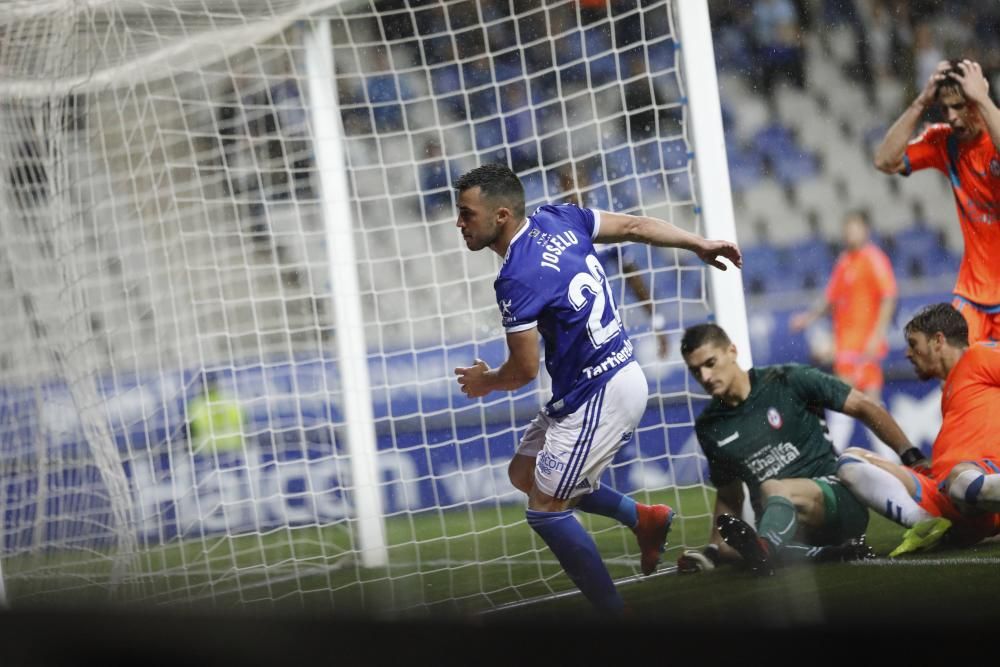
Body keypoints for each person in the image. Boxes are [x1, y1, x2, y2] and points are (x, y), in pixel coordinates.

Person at [451, 163, 741, 614]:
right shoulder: (558, 216)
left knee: (545, 509)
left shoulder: (515, 278)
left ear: (502, 215)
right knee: (523, 475)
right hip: (602, 379)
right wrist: (698, 243)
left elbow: (523, 371)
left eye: (467, 214)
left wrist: (486, 381)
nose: (459, 223)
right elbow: (636, 226)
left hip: (601, 392)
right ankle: (643, 517)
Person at [674, 323, 914, 577]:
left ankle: (767, 549)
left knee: (772, 487)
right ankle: (829, 553)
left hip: (836, 503)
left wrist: (911, 454)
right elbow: (729, 496)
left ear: (732, 351)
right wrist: (713, 549)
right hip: (779, 525)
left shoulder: (786, 379)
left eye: (710, 363)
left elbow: (865, 406)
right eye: (695, 371)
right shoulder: (709, 427)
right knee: (733, 546)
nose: (705, 377)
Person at [836, 303, 1000, 557]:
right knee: (850, 462)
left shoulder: (979, 355)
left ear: (938, 340)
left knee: (962, 481)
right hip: (944, 492)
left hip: (976, 482)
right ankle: (928, 526)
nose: (908, 354)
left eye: (914, 344)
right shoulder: (950, 388)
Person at [874, 58, 1000, 343]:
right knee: (957, 380)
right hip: (972, 295)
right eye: (945, 108)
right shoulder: (944, 142)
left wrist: (981, 97)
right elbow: (884, 160)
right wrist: (920, 103)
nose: (952, 116)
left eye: (960, 105)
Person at [790, 210, 899, 460]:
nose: (850, 233)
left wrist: (877, 334)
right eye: (847, 229)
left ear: (865, 230)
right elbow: (831, 298)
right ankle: (895, 458)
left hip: (864, 343)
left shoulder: (873, 258)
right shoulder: (845, 261)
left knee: (849, 398)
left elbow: (889, 296)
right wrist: (808, 318)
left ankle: (834, 457)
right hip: (846, 343)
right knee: (864, 401)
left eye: (855, 228)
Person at [556, 165, 670, 359]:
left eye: (580, 181)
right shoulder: (548, 225)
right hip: (559, 337)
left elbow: (632, 276)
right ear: (560, 186)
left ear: (589, 184)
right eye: (569, 181)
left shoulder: (604, 224)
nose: (575, 188)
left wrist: (656, 321)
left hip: (599, 331)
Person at [187, 371, 246, 454]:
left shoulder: (195, 406)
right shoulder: (231, 399)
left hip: (209, 452)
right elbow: (245, 423)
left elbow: (190, 434)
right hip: (234, 448)